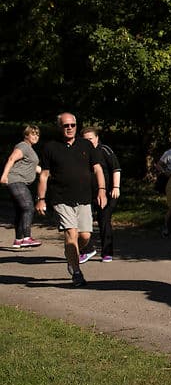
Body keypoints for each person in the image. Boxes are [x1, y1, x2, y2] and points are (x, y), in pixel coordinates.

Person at [35, 113, 107, 287]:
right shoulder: (51, 147)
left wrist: (102, 191)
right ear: (59, 127)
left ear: (76, 126)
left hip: (84, 198)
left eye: (72, 125)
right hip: (60, 198)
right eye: (66, 125)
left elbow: (97, 169)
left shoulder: (86, 145)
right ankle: (76, 272)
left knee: (85, 236)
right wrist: (41, 199)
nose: (69, 128)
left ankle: (71, 256)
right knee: (71, 233)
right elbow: (44, 175)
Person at [79, 126, 121, 262]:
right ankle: (87, 249)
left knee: (104, 221)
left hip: (107, 192)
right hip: (87, 192)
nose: (89, 142)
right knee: (84, 223)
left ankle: (107, 252)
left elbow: (116, 169)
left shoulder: (104, 150)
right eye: (86, 140)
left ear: (97, 138)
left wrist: (116, 187)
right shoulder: (81, 152)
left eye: (91, 139)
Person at [1, 125, 43, 249]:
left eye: (38, 134)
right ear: (26, 135)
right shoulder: (23, 146)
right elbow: (11, 159)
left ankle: (18, 240)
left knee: (20, 211)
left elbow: (35, 168)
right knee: (28, 207)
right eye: (33, 134)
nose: (36, 136)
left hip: (19, 181)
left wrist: (50, 174)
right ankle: (27, 238)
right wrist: (4, 176)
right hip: (16, 180)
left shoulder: (30, 149)